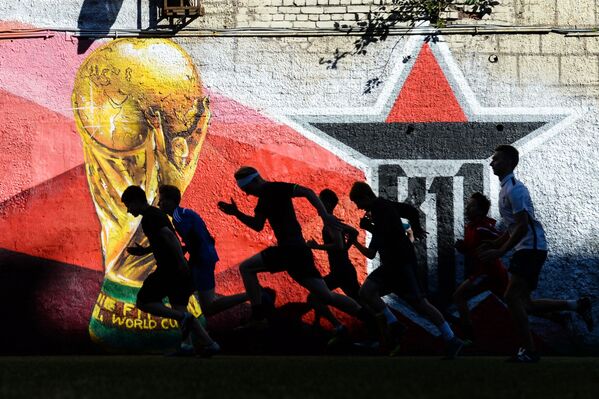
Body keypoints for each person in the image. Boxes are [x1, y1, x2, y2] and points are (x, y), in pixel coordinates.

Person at [217, 166, 368, 333]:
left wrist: (324, 215)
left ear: (255, 180)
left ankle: (258, 318)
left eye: (247, 189)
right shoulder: (264, 199)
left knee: (246, 268)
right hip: (298, 251)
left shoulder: (275, 188)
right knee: (326, 296)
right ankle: (373, 320)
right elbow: (257, 225)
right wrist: (236, 213)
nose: (247, 194)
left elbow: (308, 192)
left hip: (290, 249)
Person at [479, 145, 593, 363]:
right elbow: (514, 226)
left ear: (510, 163)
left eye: (497, 159)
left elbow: (522, 227)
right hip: (527, 249)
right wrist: (495, 242)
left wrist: (500, 250)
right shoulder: (505, 189)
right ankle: (576, 305)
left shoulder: (515, 189)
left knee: (511, 297)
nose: (492, 163)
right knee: (525, 304)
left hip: (531, 249)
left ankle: (529, 351)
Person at [349, 181, 464, 358]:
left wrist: (363, 232)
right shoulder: (385, 205)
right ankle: (396, 324)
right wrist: (416, 227)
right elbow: (409, 212)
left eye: (359, 203)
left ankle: (450, 339)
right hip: (396, 262)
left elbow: (374, 249)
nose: (359, 208)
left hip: (399, 263)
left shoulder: (380, 210)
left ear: (365, 197)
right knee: (368, 292)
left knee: (418, 302)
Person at [121, 185, 220, 356]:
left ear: (137, 201)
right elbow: (164, 239)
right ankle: (206, 345)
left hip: (169, 269)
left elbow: (169, 236)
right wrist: (144, 251)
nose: (128, 211)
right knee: (180, 307)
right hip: (176, 268)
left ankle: (183, 321)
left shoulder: (150, 217)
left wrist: (181, 262)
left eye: (129, 205)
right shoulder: (154, 215)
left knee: (143, 302)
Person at [157, 185, 250, 319]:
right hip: (205, 258)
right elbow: (202, 237)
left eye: (162, 200)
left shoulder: (178, 217)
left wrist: (189, 263)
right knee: (185, 298)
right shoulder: (185, 213)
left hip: (201, 261)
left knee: (207, 307)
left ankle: (251, 294)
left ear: (171, 201)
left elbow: (194, 240)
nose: (159, 203)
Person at [453, 192, 508, 342]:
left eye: (471, 206)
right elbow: (473, 249)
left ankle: (468, 337)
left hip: (490, 273)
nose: (467, 208)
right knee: (518, 303)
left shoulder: (483, 228)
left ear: (480, 210)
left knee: (459, 295)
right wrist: (463, 247)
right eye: (468, 205)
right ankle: (557, 316)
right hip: (483, 273)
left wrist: (496, 251)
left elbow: (505, 238)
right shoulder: (470, 227)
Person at [306, 189, 362, 334]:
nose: (318, 205)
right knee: (359, 302)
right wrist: (345, 249)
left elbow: (338, 244)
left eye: (320, 201)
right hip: (341, 270)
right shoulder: (333, 221)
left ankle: (381, 330)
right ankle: (328, 325)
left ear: (328, 203)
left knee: (316, 296)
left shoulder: (331, 223)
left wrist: (317, 246)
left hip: (341, 271)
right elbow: (354, 232)